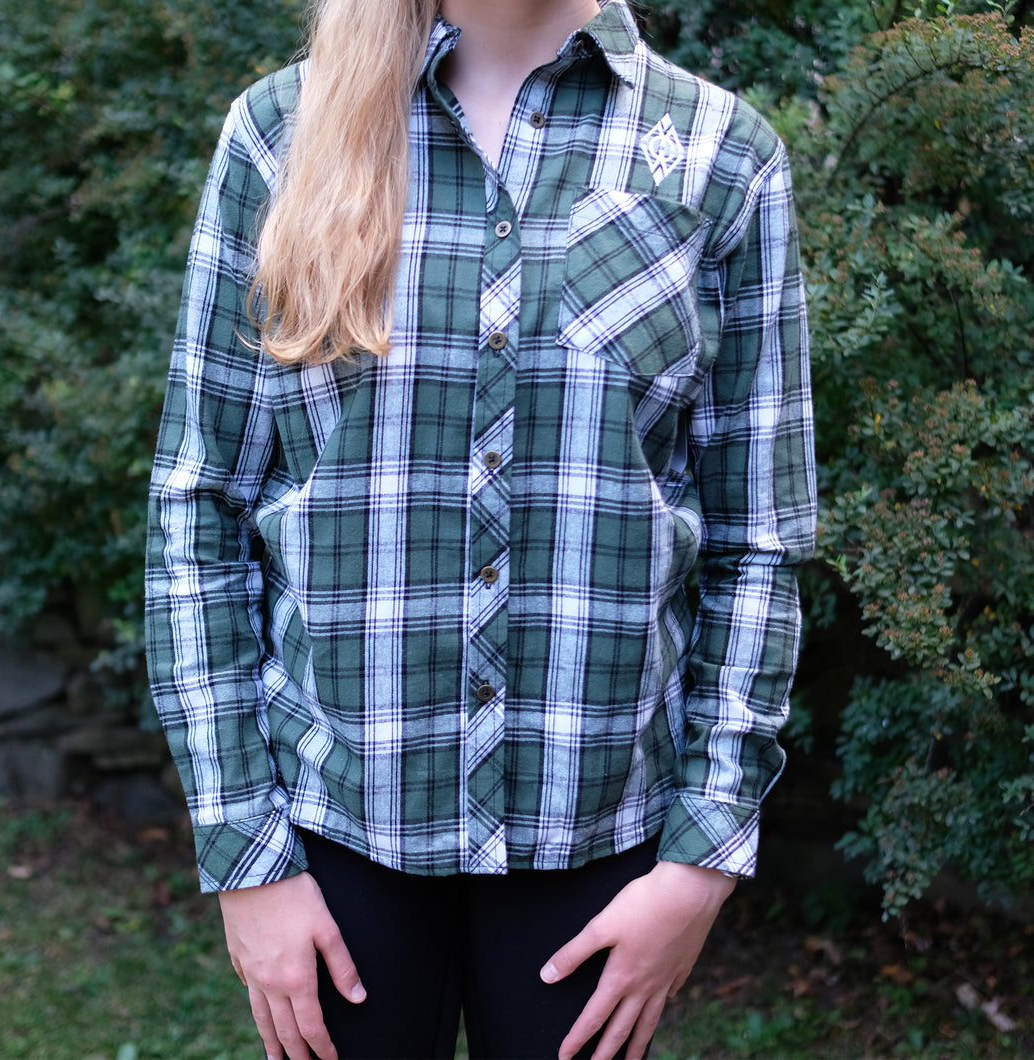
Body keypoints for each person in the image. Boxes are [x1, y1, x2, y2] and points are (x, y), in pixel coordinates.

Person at [145, 0, 816, 1057]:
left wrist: (701, 860)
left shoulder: (719, 156)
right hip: (335, 835)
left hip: (601, 847)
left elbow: (758, 539)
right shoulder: (281, 133)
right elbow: (199, 505)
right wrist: (245, 856)